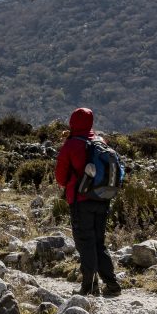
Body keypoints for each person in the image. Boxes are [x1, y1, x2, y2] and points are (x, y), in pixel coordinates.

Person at [54, 107, 122, 296]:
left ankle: (89, 285)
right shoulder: (100, 141)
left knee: (85, 242)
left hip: (80, 200)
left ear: (72, 122)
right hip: (102, 198)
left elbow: (60, 177)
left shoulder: (71, 145)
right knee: (99, 242)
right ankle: (112, 284)